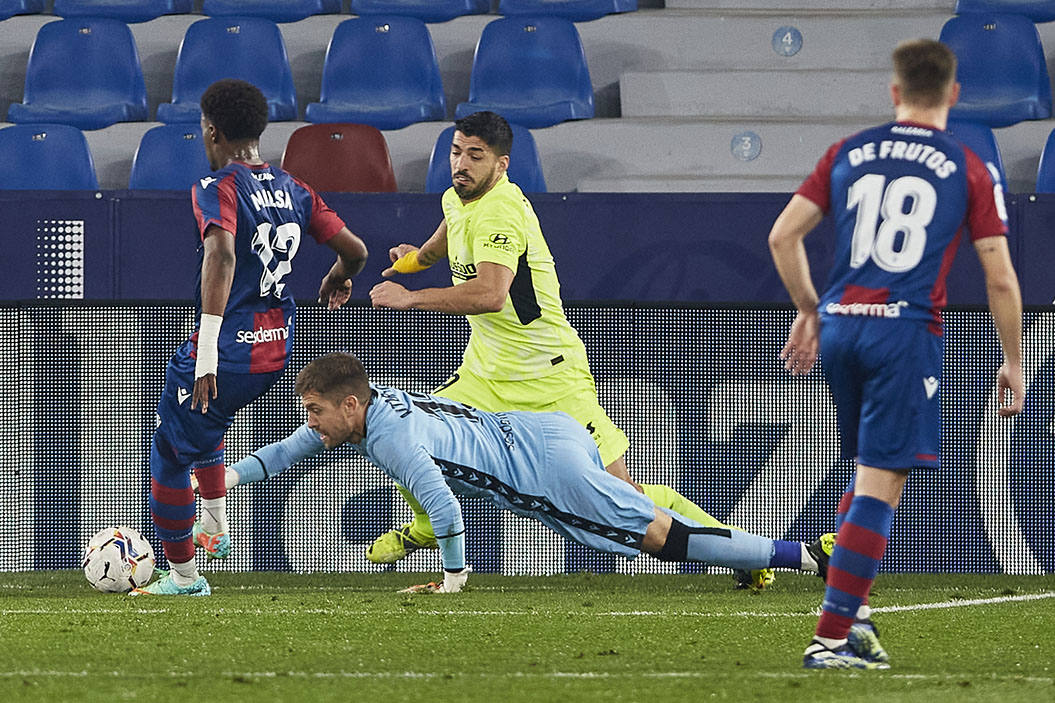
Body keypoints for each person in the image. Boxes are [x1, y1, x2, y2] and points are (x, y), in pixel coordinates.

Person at [221, 110, 776, 590]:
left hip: (548, 373)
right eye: (456, 152)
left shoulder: (503, 210)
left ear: (501, 164)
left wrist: (411, 298)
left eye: (475, 156)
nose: (460, 164)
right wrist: (410, 261)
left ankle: (738, 551)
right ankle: (427, 524)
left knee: (623, 495)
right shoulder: (458, 197)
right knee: (401, 425)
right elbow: (440, 243)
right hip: (486, 372)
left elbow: (490, 294)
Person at [768, 39, 1023, 668]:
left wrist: (809, 309)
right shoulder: (967, 166)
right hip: (902, 332)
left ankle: (854, 617)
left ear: (894, 92)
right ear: (955, 94)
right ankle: (832, 639)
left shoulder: (848, 151)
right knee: (883, 484)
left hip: (841, 327)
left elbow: (782, 236)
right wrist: (1013, 361)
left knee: (868, 474)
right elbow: (999, 278)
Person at [293, 352, 826, 592]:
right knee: (637, 503)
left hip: (545, 464)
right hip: (547, 426)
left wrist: (452, 577)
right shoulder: (382, 397)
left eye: (315, 411)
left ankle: (808, 555)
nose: (310, 422)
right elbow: (289, 448)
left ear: (348, 405)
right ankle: (779, 557)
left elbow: (444, 504)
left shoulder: (390, 440)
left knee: (663, 537)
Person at [131, 79, 369, 596]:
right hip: (276, 349)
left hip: (228, 351)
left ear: (211, 131)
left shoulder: (217, 187)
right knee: (208, 420)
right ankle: (214, 523)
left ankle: (185, 577)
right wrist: (338, 276)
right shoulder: (295, 188)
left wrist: (208, 354)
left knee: (169, 454)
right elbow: (356, 251)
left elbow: (221, 254)